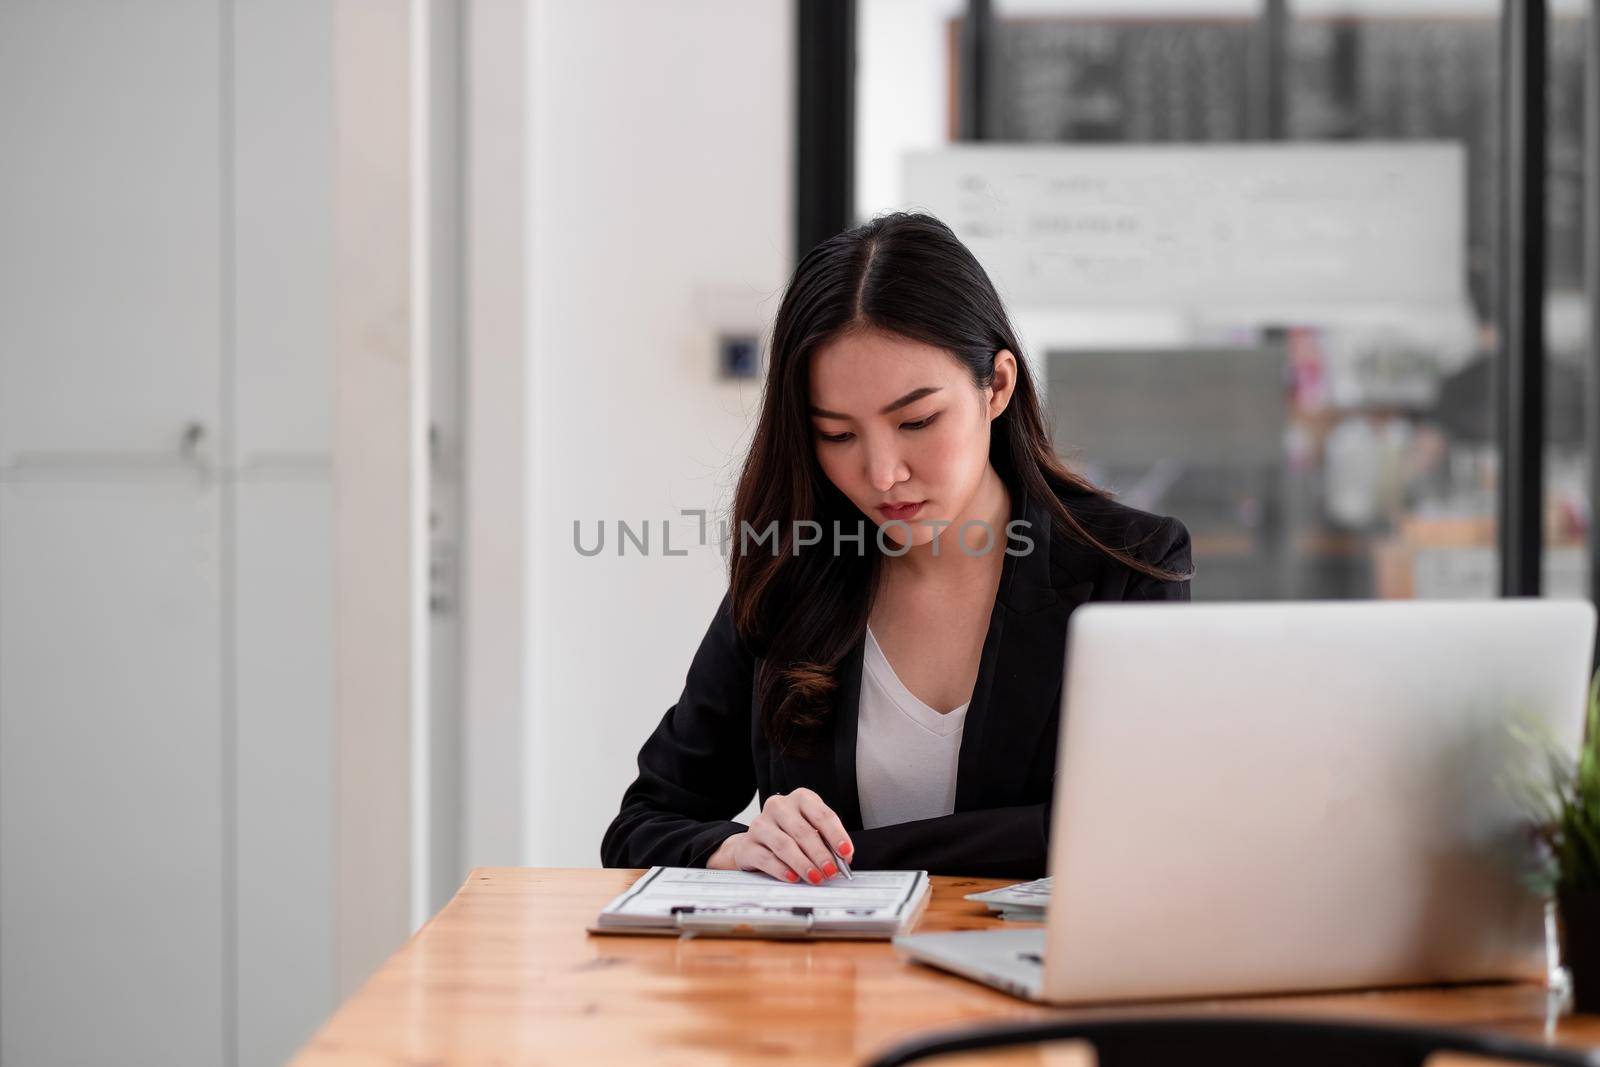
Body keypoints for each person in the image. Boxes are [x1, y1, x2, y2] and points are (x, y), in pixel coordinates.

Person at [600, 212, 1192, 882]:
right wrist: (740, 848)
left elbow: (1128, 829)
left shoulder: (1129, 565)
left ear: (997, 386)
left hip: (1034, 975)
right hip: (829, 984)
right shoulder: (793, 568)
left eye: (916, 421)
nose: (882, 473)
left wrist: (848, 858)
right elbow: (643, 824)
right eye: (838, 434)